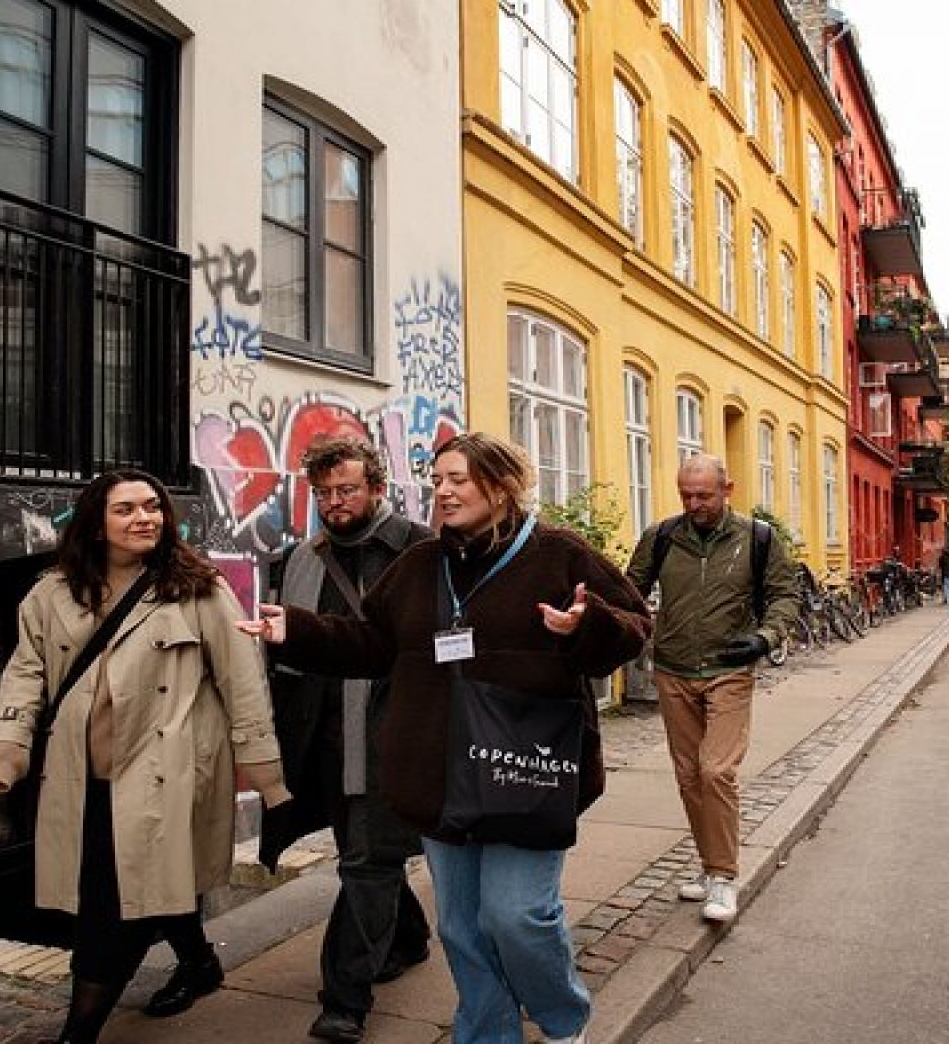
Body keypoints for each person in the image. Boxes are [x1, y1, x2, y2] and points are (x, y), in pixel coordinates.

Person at [241, 433, 650, 1044]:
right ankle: (487, 1032)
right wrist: (295, 631)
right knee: (460, 927)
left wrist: (584, 626)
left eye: (458, 478)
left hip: (524, 771)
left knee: (518, 917)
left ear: (502, 484)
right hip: (439, 772)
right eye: (437, 480)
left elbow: (635, 628)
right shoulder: (422, 564)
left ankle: (563, 1019)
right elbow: (372, 645)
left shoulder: (558, 553)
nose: (444, 491)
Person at [0, 470, 287, 1044]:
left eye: (153, 507)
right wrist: (6, 751)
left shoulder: (199, 588)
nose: (145, 518)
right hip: (78, 775)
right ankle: (198, 961)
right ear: (96, 524)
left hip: (162, 774)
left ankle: (78, 1034)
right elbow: (24, 676)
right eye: (127, 510)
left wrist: (268, 779)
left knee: (109, 908)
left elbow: (243, 684)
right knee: (146, 886)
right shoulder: (51, 593)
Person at [251, 436, 434, 1043]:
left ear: (376, 488)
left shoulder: (418, 549)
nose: (334, 501)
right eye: (324, 492)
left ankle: (345, 1000)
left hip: (389, 733)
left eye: (347, 489)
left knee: (365, 860)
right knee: (366, 852)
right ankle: (406, 937)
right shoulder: (303, 557)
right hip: (320, 739)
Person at [626, 455, 800, 926]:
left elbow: (786, 593)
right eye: (686, 495)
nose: (694, 504)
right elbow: (629, 592)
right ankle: (708, 866)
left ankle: (723, 875)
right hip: (673, 668)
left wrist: (766, 637)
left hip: (730, 668)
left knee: (716, 770)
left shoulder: (758, 538)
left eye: (704, 495)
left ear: (728, 489)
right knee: (688, 775)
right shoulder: (662, 537)